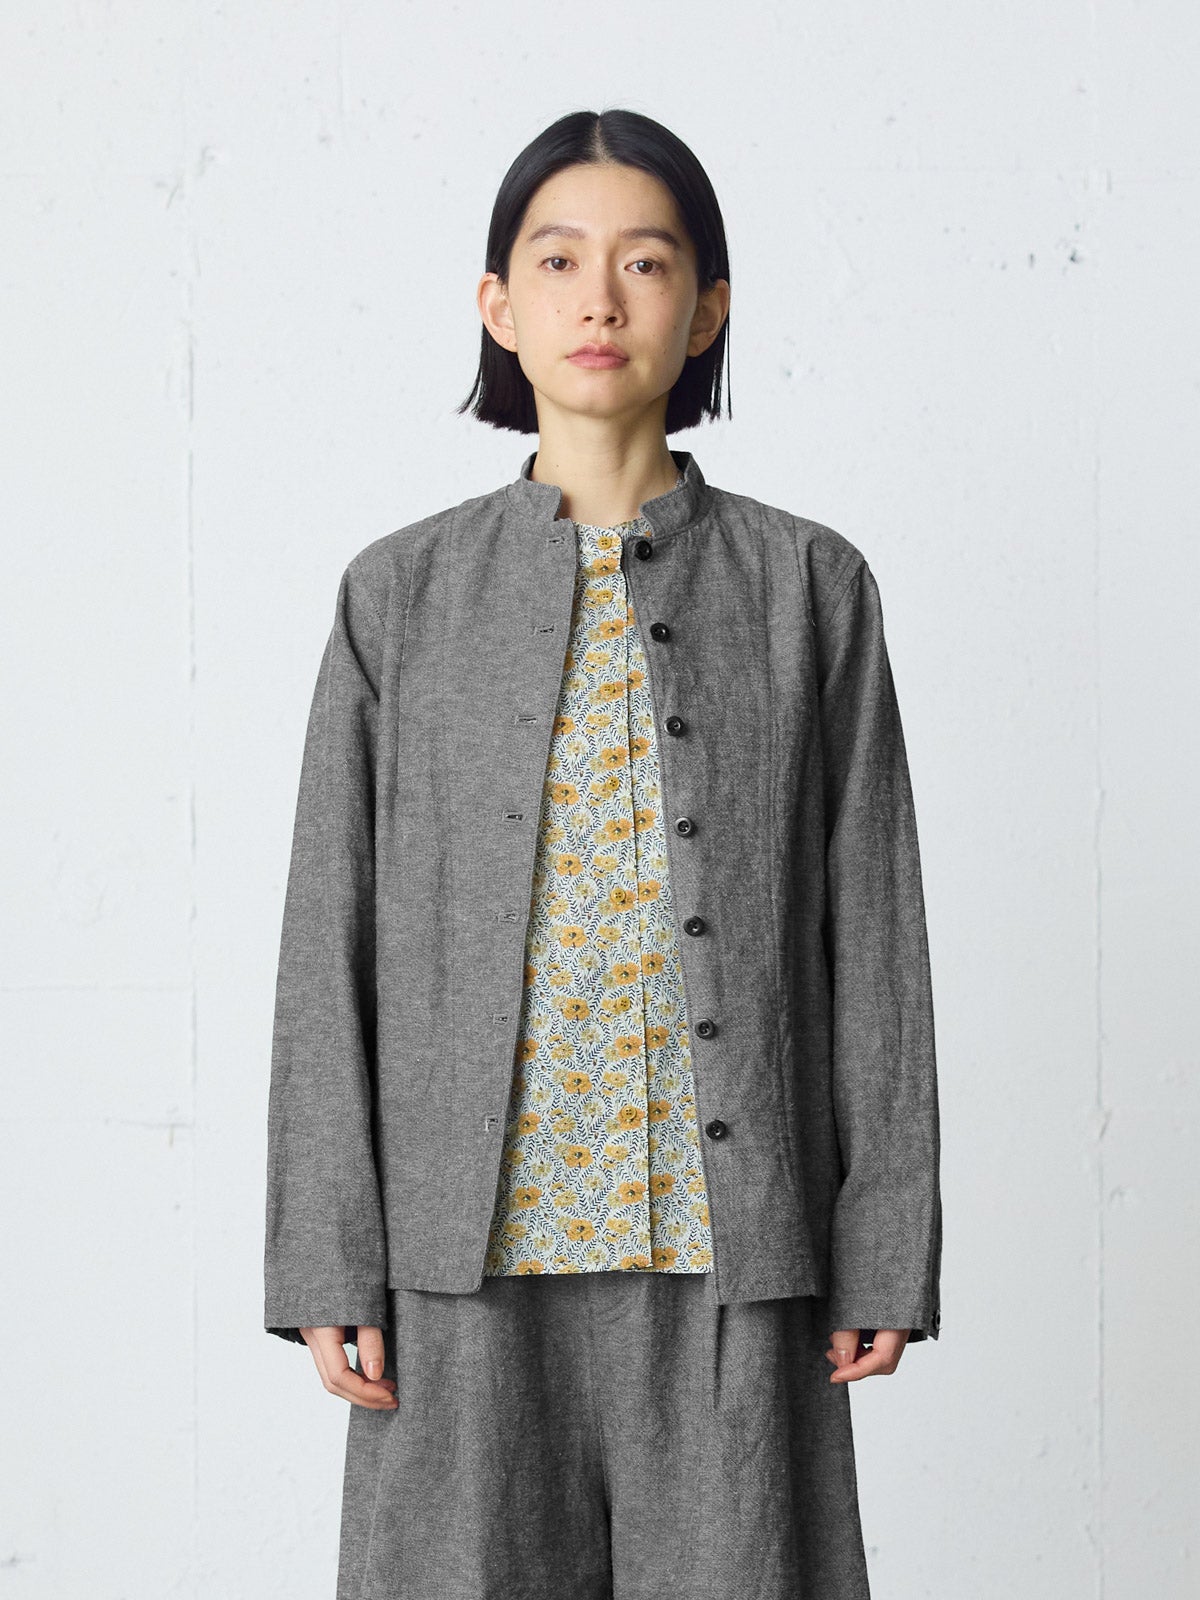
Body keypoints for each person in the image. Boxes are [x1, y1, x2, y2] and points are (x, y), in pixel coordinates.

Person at [265, 107, 942, 1600]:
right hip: (459, 1262)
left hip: (734, 1249)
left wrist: (884, 1236)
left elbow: (875, 933)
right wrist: (328, 1256)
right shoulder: (399, 597)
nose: (600, 299)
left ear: (706, 309)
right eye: (558, 260)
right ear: (498, 307)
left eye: (646, 262)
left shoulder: (810, 588)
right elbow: (330, 941)